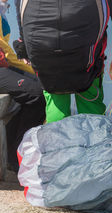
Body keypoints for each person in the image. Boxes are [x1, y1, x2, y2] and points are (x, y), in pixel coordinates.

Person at [14, 0, 112, 123]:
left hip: (40, 43)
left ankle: (56, 140)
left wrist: (24, 43)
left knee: (55, 97)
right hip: (84, 45)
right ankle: (95, 137)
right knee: (90, 99)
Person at [0, 0, 45, 173]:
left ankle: (13, 153)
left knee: (42, 88)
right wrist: (29, 69)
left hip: (4, 65)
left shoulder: (3, 9)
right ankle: (17, 153)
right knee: (38, 94)